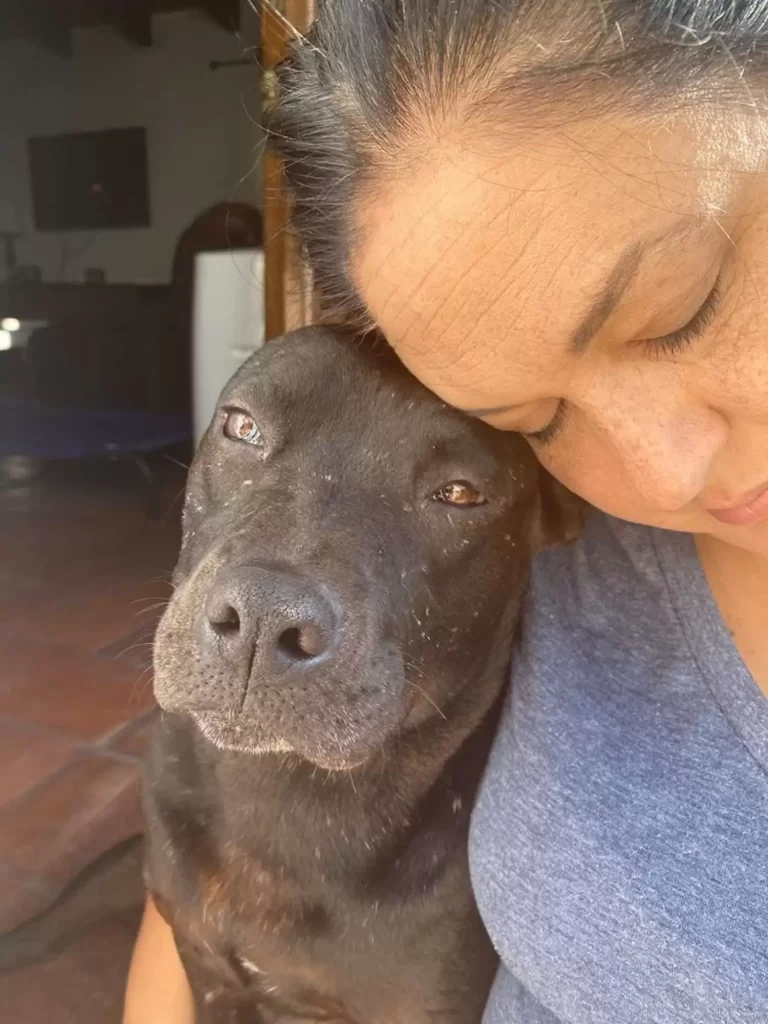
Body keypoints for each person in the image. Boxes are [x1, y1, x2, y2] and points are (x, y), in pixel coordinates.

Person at [125, 2, 768, 1021]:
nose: (666, 476)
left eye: (684, 309)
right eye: (538, 420)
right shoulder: (594, 549)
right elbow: (175, 921)